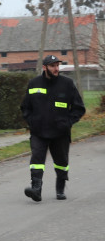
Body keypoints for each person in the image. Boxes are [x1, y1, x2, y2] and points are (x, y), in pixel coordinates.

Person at [19, 54, 85, 201]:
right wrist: (32, 121)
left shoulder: (67, 84)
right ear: (45, 67)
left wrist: (67, 123)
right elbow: (25, 107)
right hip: (39, 131)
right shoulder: (34, 83)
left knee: (62, 163)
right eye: (53, 66)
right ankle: (36, 188)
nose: (56, 69)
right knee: (37, 159)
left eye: (57, 66)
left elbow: (79, 108)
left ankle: (60, 188)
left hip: (60, 132)